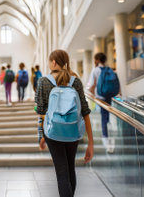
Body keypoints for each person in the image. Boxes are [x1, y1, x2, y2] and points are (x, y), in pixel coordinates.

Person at [35, 50, 93, 197]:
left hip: (53, 132)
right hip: (73, 131)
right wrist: (91, 143)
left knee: (61, 172)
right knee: (70, 168)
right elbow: (85, 112)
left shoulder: (43, 81)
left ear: (53, 62)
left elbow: (41, 112)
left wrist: (42, 135)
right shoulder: (76, 81)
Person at [86, 52, 119, 153]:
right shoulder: (109, 69)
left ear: (97, 60)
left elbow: (90, 85)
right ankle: (110, 138)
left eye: (95, 59)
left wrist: (89, 93)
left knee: (103, 118)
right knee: (107, 117)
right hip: (109, 96)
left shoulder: (96, 70)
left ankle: (106, 142)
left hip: (100, 97)